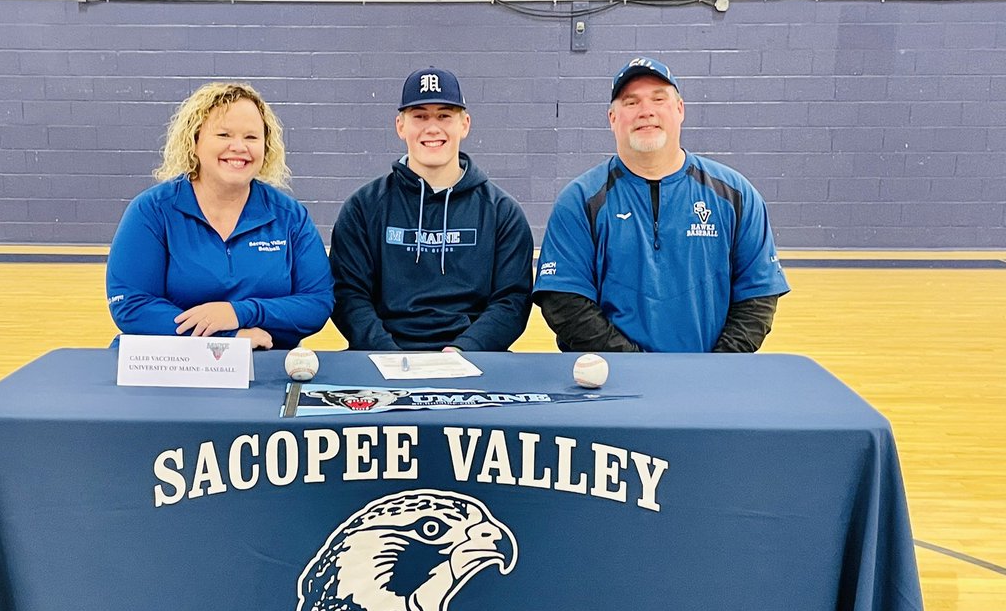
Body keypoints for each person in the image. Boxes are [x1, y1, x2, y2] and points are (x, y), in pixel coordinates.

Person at [534, 56, 789, 353]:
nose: (646, 112)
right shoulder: (579, 201)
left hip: (710, 380)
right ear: (612, 119)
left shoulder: (735, 195)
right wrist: (635, 366)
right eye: (631, 103)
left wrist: (719, 366)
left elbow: (757, 297)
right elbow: (565, 302)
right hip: (611, 382)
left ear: (680, 110)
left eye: (659, 99)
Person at [106, 82, 333, 349]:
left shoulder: (290, 216)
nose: (239, 147)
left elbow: (317, 302)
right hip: (172, 367)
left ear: (266, 147)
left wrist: (239, 312)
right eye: (224, 135)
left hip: (267, 366)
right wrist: (225, 340)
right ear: (194, 141)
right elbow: (132, 305)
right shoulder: (152, 211)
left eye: (251, 137)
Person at [328, 67, 534, 351]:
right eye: (420, 116)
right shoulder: (363, 209)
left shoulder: (502, 213)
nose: (432, 127)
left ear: (465, 124)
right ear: (400, 125)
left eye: (444, 115)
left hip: (474, 361)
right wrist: (389, 355)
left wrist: (465, 350)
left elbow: (512, 300)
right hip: (380, 358)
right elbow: (349, 295)